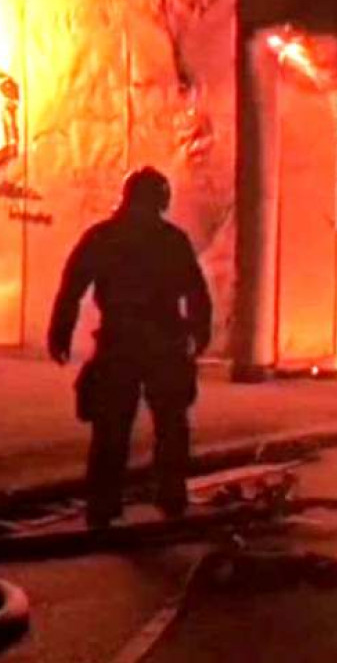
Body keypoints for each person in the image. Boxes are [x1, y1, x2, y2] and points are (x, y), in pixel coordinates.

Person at [48, 167, 213, 529]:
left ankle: (104, 505)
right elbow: (196, 293)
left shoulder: (104, 237)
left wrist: (60, 332)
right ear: (160, 200)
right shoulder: (170, 240)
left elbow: (73, 287)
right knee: (170, 426)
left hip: (121, 342)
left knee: (112, 428)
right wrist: (199, 334)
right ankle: (170, 498)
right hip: (162, 344)